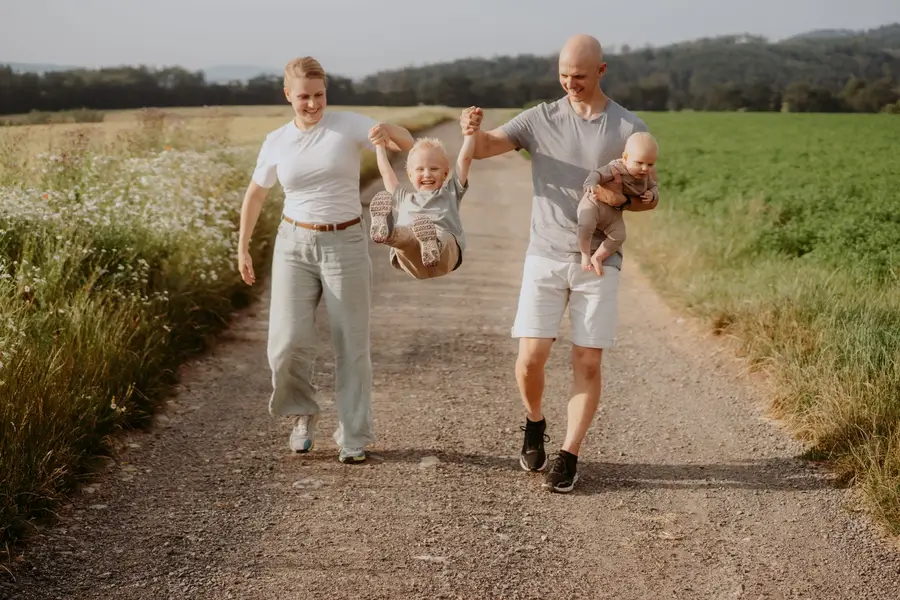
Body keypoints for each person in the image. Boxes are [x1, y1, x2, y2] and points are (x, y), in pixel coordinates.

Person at [460, 34, 659, 493]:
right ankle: (534, 422)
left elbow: (650, 196)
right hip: (545, 255)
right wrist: (472, 132)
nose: (571, 84)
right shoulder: (540, 118)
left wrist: (625, 195)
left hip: (598, 264)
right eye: (565, 76)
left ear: (602, 72)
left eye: (581, 77)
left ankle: (568, 456)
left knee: (587, 362)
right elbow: (489, 147)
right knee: (531, 358)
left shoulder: (629, 127)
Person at [236, 56, 414, 464]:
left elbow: (406, 144)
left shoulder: (349, 125)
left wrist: (391, 131)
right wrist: (242, 245)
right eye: (304, 97)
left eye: (319, 95)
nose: (313, 104)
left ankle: (353, 434)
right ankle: (302, 416)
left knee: (350, 342)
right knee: (285, 342)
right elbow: (256, 195)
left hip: (345, 243)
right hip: (292, 244)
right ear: (287, 95)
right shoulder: (276, 140)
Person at [367, 122, 476, 279]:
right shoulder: (403, 198)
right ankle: (388, 232)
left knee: (443, 236)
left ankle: (432, 243)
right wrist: (379, 146)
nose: (427, 174)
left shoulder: (450, 193)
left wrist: (470, 135)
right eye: (420, 169)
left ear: (446, 174)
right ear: (410, 175)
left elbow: (464, 160)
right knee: (405, 237)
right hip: (413, 260)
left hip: (446, 257)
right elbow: (385, 172)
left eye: (434, 169)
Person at [577, 131, 660, 273]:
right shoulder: (616, 168)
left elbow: (654, 187)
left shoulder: (645, 176)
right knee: (586, 225)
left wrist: (652, 194)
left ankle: (598, 257)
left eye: (650, 164)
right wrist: (591, 183)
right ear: (625, 158)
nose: (645, 168)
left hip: (613, 213)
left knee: (619, 236)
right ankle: (585, 254)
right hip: (594, 203)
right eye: (639, 163)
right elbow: (597, 173)